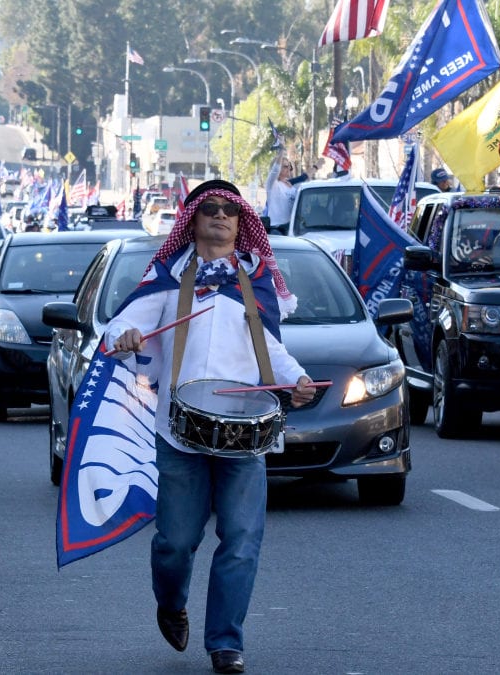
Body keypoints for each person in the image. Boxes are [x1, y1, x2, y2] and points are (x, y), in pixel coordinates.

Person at [104, 180, 316, 674]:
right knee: (175, 542)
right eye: (210, 209)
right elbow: (121, 324)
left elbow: (271, 349)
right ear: (193, 220)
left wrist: (297, 380)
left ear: (242, 223)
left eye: (230, 210)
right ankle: (171, 600)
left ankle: (225, 641)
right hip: (180, 431)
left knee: (242, 538)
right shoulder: (169, 276)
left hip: (247, 434)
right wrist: (126, 336)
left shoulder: (255, 281)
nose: (220, 216)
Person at [264, 148, 314, 231]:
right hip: (276, 228)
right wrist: (281, 151)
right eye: (285, 166)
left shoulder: (292, 187)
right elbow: (274, 171)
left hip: (291, 228)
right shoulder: (273, 185)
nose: (289, 168)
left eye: (289, 166)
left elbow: (305, 177)